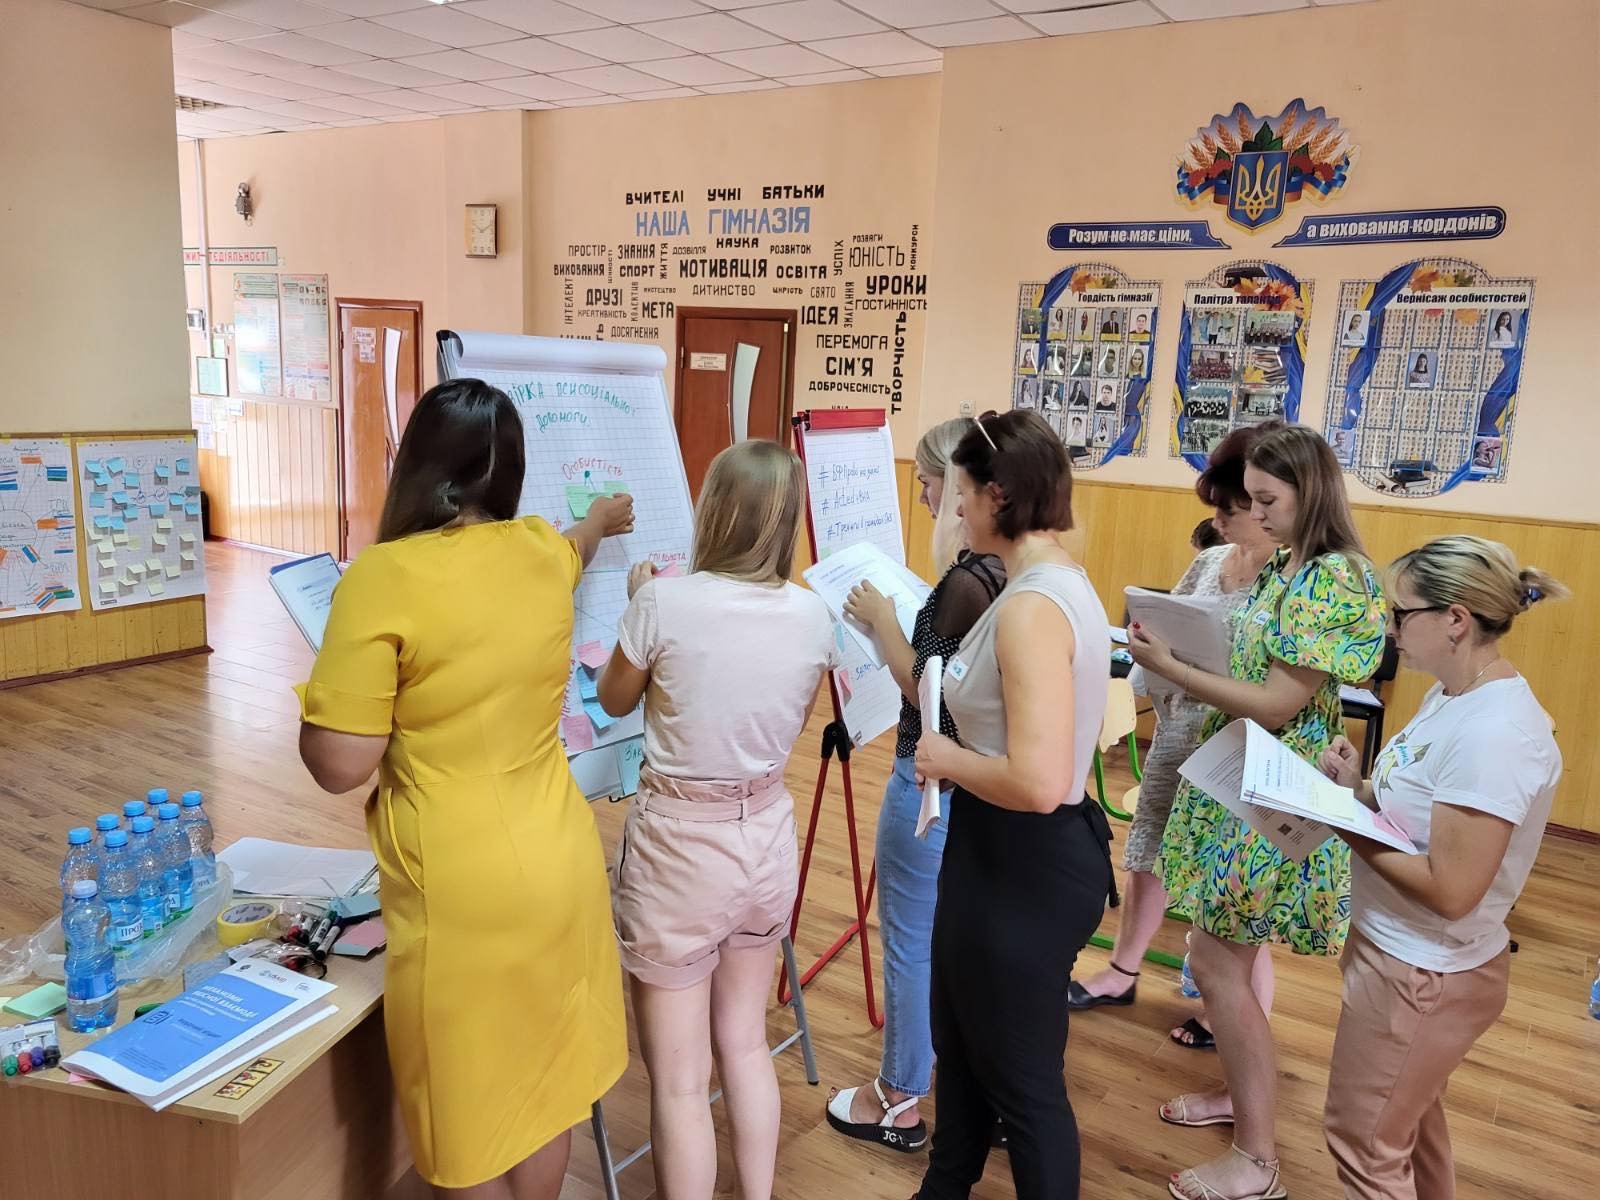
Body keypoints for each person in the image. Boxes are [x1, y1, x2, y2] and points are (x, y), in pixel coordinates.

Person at [296, 379, 634, 1198]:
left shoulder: (381, 577)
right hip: (558, 856)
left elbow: (340, 763)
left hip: (459, 886)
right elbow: (577, 545)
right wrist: (600, 520)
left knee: (468, 1113)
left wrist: (324, 697)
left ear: (415, 464)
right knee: (544, 1088)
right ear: (508, 473)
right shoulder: (539, 551)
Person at [1131, 423, 1386, 1200]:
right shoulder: (1288, 563)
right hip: (1238, 770)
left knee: (1216, 961)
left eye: (1268, 499)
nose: (1256, 513)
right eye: (1252, 499)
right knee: (1220, 960)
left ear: (1311, 493)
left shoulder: (1333, 576)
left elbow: (1278, 702)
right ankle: (1242, 1104)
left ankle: (1258, 1159)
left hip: (1273, 782)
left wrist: (1174, 668)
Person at [596, 440, 835, 1200]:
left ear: (714, 511)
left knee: (678, 1081)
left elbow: (613, 698)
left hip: (679, 849)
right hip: (765, 836)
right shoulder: (813, 614)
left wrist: (636, 600)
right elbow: (788, 714)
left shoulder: (663, 602)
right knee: (745, 1042)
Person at [1320, 538, 1565, 1200]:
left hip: (1424, 970)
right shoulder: (1455, 695)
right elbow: (1421, 812)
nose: (1389, 628)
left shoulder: (1495, 733)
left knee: (1364, 1146)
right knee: (1408, 1125)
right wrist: (1358, 790)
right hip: (1400, 951)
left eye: (1400, 614)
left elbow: (1452, 890)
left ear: (1455, 620)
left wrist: (1341, 820)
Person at [911, 409, 1113, 1200]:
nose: (956, 509)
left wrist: (944, 758)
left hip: (1027, 862)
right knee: (963, 1054)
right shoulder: (1046, 580)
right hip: (999, 854)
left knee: (1024, 1088)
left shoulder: (1032, 607)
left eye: (962, 493)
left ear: (998, 495)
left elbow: (1036, 780)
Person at [825, 419, 1005, 1154]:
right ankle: (985, 1096)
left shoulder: (967, 579)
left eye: (931, 484)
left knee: (908, 943)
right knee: (965, 943)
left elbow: (925, 692)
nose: (929, 498)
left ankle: (898, 1097)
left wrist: (880, 622)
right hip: (980, 785)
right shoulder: (1008, 571)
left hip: (931, 780)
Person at [1069, 427, 1281, 1044]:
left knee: (1233, 895)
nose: (1216, 521)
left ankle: (1238, 1016)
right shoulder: (1211, 562)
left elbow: (1277, 688)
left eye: (1229, 509)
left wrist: (1181, 668)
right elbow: (1165, 632)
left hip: (1239, 752)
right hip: (1180, 735)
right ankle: (1121, 972)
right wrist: (1144, 657)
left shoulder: (1291, 579)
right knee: (1147, 855)